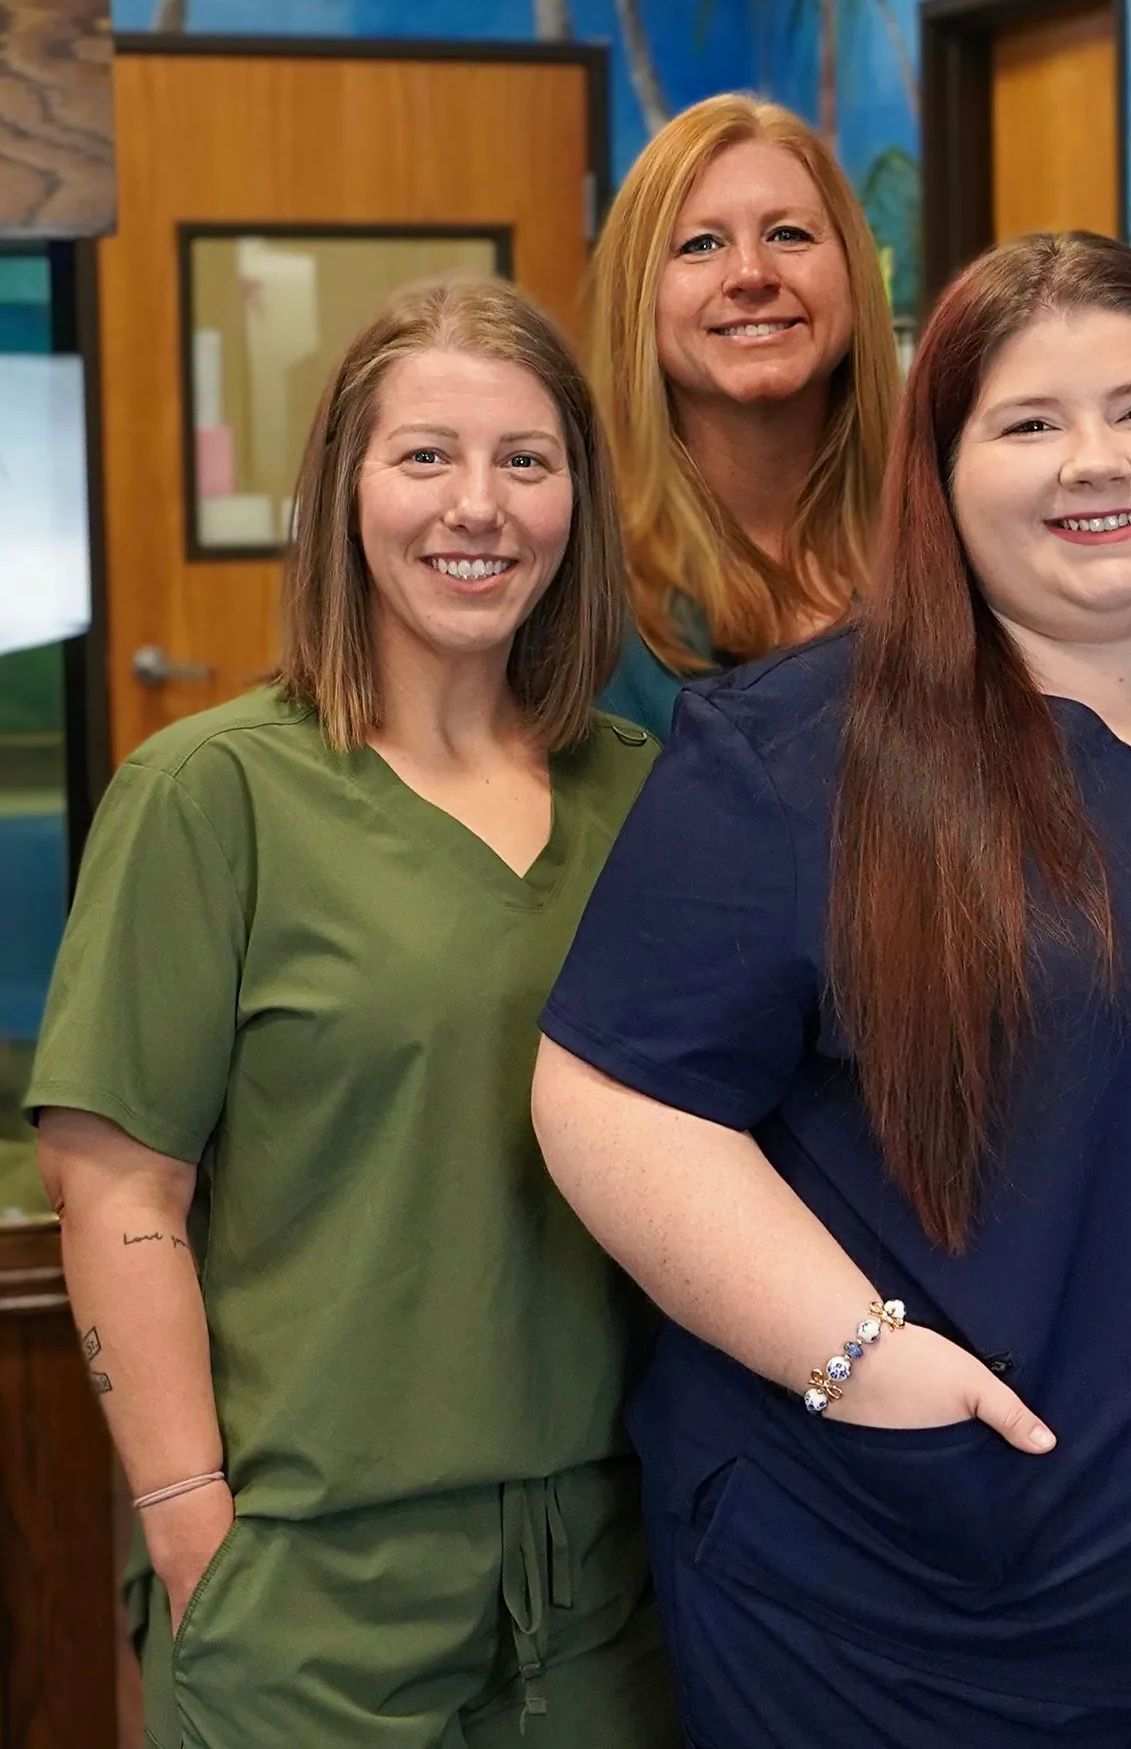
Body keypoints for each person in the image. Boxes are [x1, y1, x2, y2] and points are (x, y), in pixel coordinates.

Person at [530, 232, 1131, 1745]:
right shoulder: (793, 757)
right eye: (1029, 424)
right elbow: (611, 1096)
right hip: (923, 1613)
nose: (1099, 461)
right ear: (940, 473)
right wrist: (857, 1359)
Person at [30, 277, 675, 1746]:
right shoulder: (212, 796)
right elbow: (114, 1185)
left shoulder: (643, 795)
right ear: (343, 490)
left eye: (527, 460)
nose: (481, 507)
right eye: (426, 457)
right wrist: (196, 1530)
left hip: (599, 1587)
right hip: (308, 1584)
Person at [587, 93, 899, 736]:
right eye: (700, 244)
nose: (751, 273)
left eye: (789, 234)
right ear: (638, 300)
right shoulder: (576, 581)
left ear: (853, 273)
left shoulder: (954, 538)